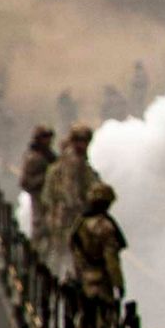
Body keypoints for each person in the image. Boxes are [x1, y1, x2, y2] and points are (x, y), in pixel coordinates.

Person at [37, 126, 96, 279]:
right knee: (66, 252)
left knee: (60, 251)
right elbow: (71, 193)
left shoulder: (68, 158)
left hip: (60, 214)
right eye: (81, 141)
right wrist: (84, 209)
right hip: (67, 217)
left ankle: (52, 279)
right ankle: (56, 282)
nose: (84, 145)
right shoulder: (73, 161)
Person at [70, 179, 127, 303]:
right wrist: (119, 283)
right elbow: (111, 259)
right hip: (100, 281)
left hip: (83, 277)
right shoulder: (104, 226)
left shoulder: (81, 222)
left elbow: (74, 248)